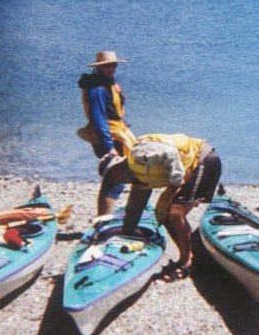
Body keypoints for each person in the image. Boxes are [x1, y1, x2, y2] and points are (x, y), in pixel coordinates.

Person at [98, 133, 222, 281]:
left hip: (204, 161)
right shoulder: (139, 181)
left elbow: (170, 153)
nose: (116, 181)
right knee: (165, 217)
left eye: (113, 176)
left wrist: (177, 182)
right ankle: (190, 256)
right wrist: (126, 236)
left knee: (176, 213)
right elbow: (134, 210)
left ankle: (186, 263)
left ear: (118, 167)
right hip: (189, 171)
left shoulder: (138, 154)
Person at [77, 51, 137, 214]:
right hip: (110, 137)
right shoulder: (98, 89)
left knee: (119, 177)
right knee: (116, 178)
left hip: (118, 133)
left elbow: (114, 111)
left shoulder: (108, 84)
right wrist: (108, 146)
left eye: (114, 65)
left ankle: (107, 217)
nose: (111, 68)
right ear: (99, 67)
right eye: (107, 66)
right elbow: (99, 119)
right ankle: (104, 219)